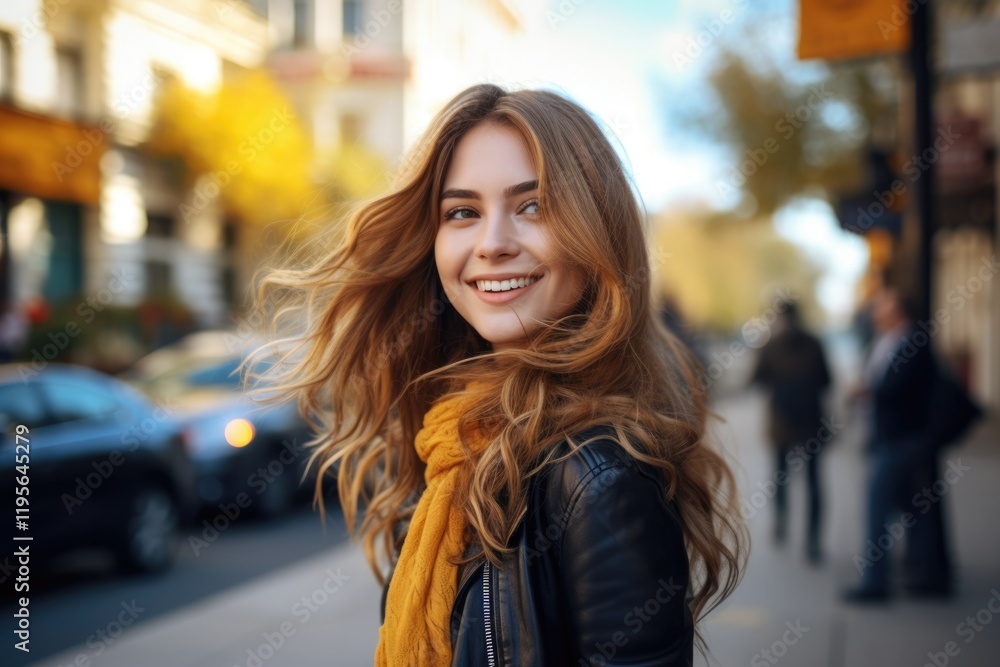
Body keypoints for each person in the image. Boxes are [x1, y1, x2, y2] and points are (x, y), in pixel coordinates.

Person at [253, 84, 747, 665]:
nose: (491, 244)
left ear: (599, 232)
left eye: (532, 206)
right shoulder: (451, 438)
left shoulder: (598, 477)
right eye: (462, 212)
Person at [842, 282, 951, 602]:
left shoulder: (913, 341)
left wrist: (865, 391)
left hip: (902, 439)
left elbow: (895, 388)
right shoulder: (886, 341)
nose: (876, 308)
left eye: (883, 303)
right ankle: (926, 573)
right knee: (912, 508)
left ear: (898, 310)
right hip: (887, 437)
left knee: (877, 507)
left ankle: (875, 583)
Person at [749, 301, 831, 564]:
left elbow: (756, 379)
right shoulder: (814, 344)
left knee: (781, 476)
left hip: (782, 423)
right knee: (812, 480)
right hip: (810, 423)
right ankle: (812, 539)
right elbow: (827, 381)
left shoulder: (770, 346)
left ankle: (782, 524)